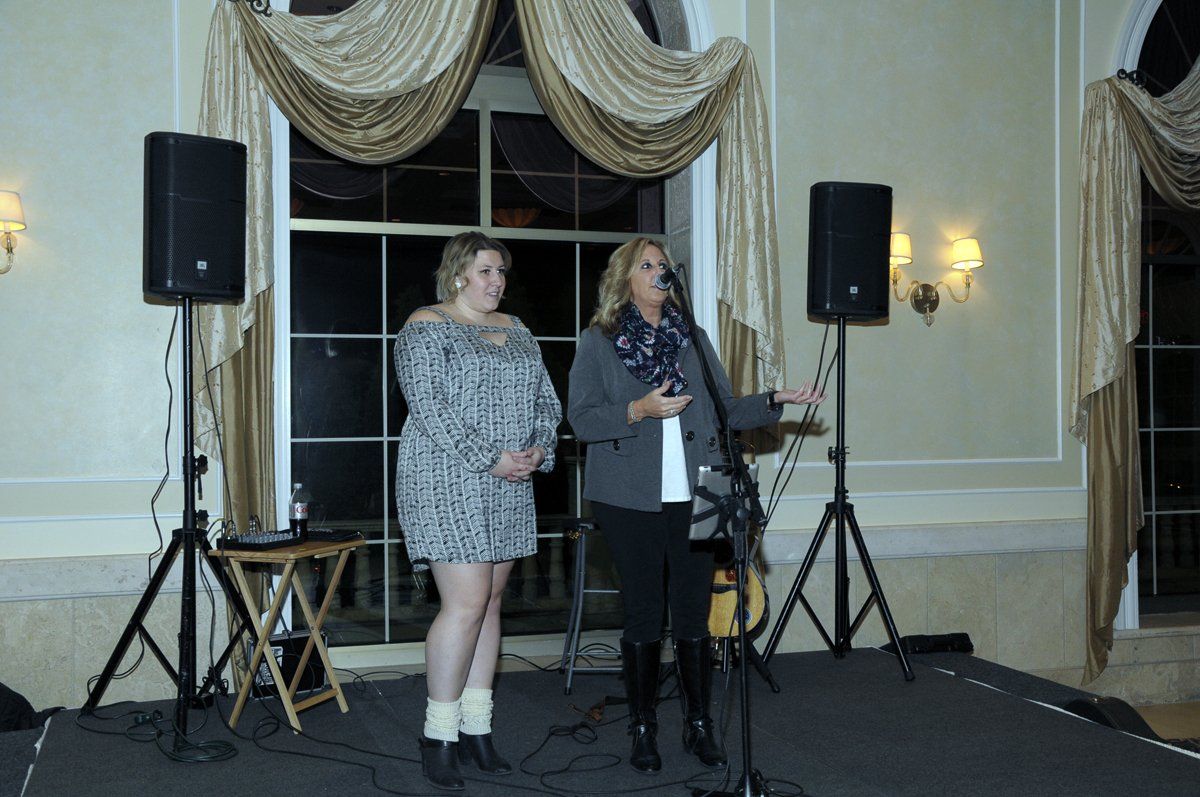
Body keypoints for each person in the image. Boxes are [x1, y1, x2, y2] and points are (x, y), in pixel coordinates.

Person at [567, 237, 826, 774]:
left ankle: (698, 723)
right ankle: (642, 726)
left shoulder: (693, 337)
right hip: (627, 498)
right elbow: (583, 419)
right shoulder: (598, 341)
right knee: (643, 611)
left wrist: (775, 399)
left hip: (700, 491)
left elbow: (728, 410)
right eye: (647, 265)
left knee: (693, 614)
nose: (659, 272)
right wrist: (638, 408)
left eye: (664, 265)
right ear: (624, 278)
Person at [394, 231, 562, 791]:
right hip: (446, 477)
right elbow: (430, 407)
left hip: (510, 479)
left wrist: (539, 448)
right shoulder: (425, 326)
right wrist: (489, 458)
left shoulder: (516, 329)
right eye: (487, 271)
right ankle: (438, 734)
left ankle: (477, 728)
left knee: (490, 604)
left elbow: (546, 401)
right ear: (459, 272)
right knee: (464, 604)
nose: (497, 282)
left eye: (502, 273)